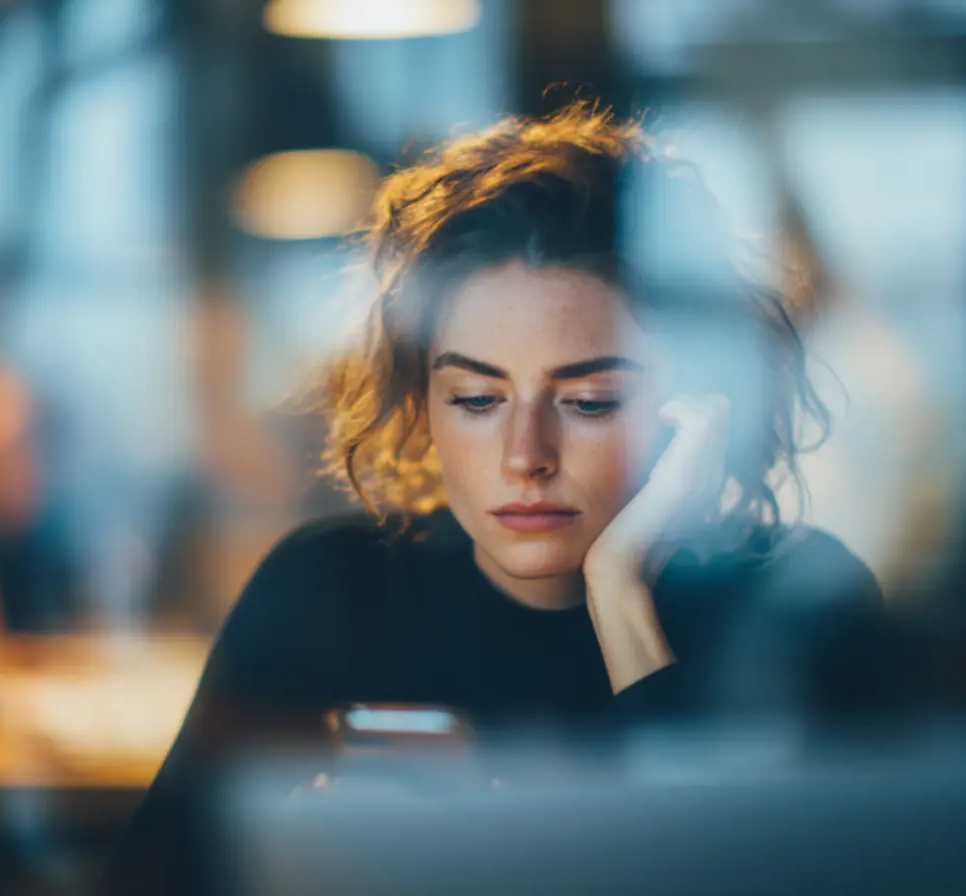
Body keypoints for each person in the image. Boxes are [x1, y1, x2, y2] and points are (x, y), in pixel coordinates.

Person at [96, 104, 891, 894]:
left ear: (693, 404)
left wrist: (621, 595)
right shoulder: (327, 592)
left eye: (590, 402)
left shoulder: (796, 604)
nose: (525, 456)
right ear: (424, 404)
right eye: (478, 400)